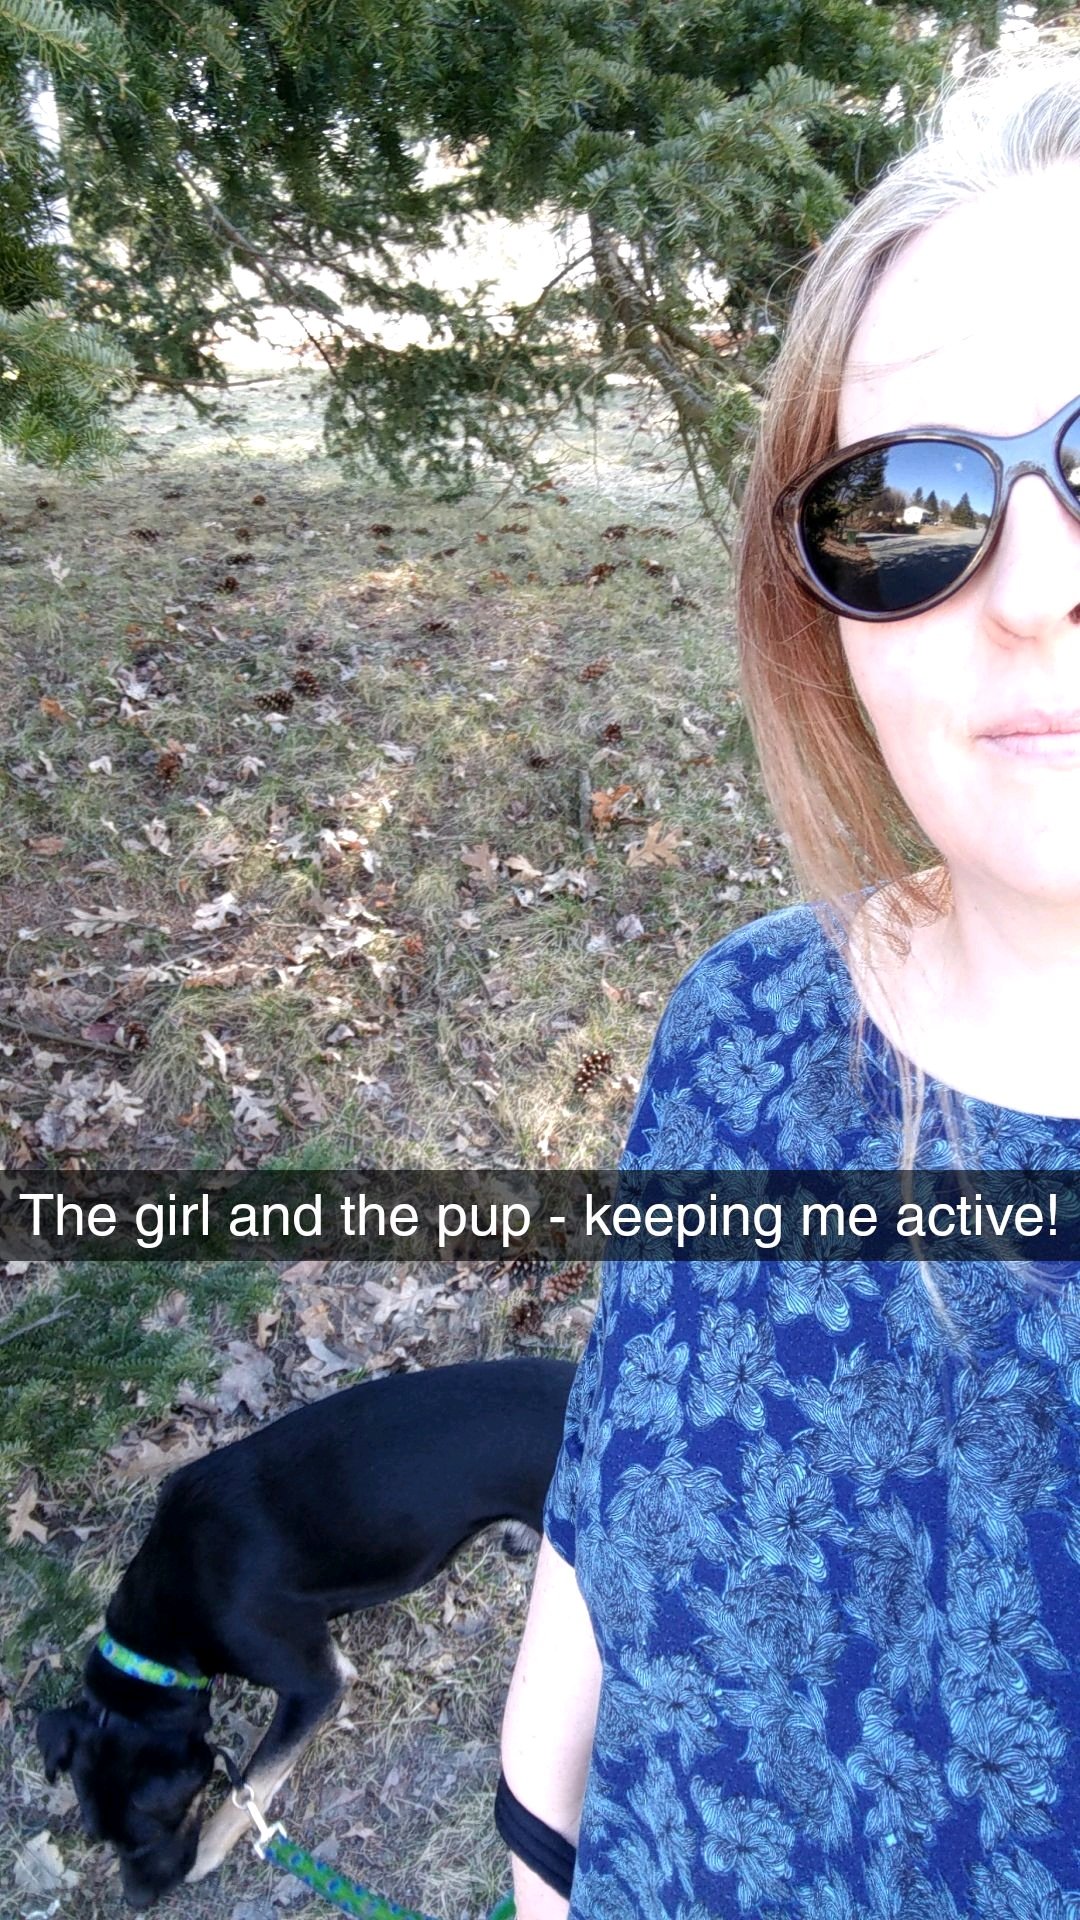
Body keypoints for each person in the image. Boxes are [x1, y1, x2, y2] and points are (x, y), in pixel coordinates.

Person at [497, 40, 1080, 1920]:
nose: (1029, 590)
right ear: (823, 624)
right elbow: (608, 1508)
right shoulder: (746, 1023)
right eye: (906, 513)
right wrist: (535, 1868)